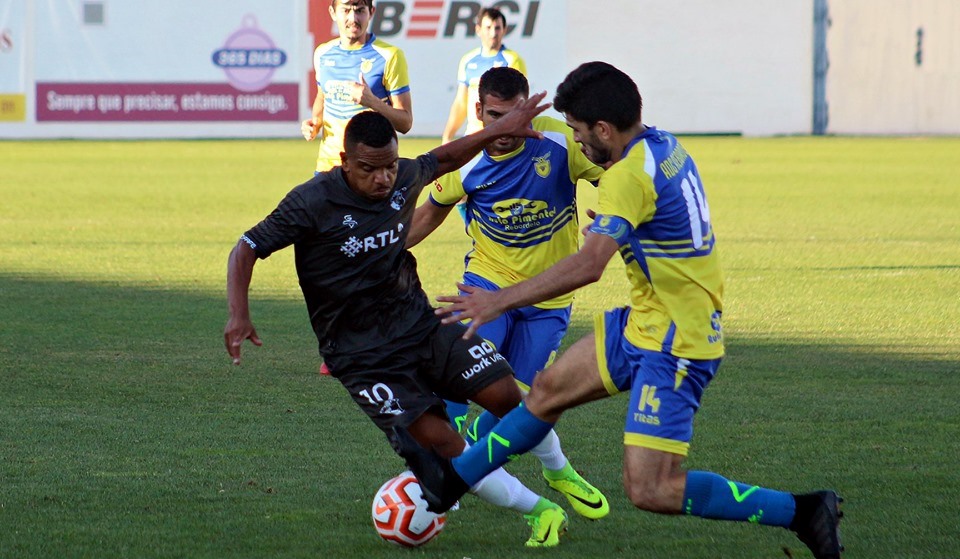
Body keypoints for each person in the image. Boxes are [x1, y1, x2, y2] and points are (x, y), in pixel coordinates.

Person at [397, 62, 845, 559]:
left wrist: (498, 299)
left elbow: (589, 266)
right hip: (643, 322)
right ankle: (452, 480)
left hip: (678, 341)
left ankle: (802, 511)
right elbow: (656, 215)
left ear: (604, 129)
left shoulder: (625, 177)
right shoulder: (662, 144)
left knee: (651, 489)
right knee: (545, 393)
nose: (576, 142)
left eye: (579, 132)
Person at [224, 99, 579, 548]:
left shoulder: (402, 178)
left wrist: (497, 130)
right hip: (362, 357)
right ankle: (539, 511)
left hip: (420, 327)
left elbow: (443, 159)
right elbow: (247, 246)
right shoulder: (312, 202)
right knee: (443, 443)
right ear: (344, 162)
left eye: (390, 165)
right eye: (370, 169)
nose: (384, 178)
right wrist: (239, 312)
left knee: (507, 394)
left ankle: (557, 470)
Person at [407, 66, 609, 520]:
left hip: (549, 296)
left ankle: (488, 470)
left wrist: (612, 213)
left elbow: (614, 174)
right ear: (479, 111)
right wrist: (382, 252)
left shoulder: (559, 141)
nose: (509, 129)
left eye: (518, 117)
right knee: (459, 373)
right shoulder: (465, 159)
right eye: (497, 117)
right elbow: (428, 213)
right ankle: (441, 478)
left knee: (518, 408)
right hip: (487, 283)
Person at [301, 0, 413, 174]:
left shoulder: (390, 56)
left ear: (371, 12)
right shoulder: (322, 53)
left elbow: (405, 123)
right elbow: (322, 97)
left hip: (369, 171)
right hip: (327, 167)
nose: (353, 18)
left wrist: (372, 102)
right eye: (346, 10)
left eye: (360, 10)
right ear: (332, 12)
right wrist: (315, 122)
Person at [441, 7, 527, 145]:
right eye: (488, 28)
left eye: (497, 28)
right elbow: (461, 102)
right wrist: (447, 136)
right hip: (473, 137)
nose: (493, 33)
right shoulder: (468, 60)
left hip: (499, 137)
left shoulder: (512, 60)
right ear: (478, 30)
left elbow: (518, 104)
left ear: (504, 30)